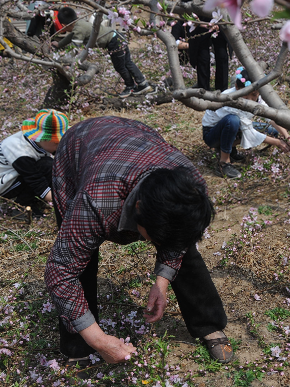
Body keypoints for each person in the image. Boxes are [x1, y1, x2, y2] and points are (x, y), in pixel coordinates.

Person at [45, 116, 233, 367]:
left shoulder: (190, 185)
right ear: (138, 209)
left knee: (182, 243)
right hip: (78, 150)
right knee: (79, 262)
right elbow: (61, 272)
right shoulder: (95, 201)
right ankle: (78, 346)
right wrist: (98, 339)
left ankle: (208, 323)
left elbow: (177, 242)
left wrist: (162, 281)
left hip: (132, 139)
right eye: (153, 237)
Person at [202, 68, 290, 179]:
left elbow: (271, 118)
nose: (250, 99)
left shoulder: (257, 99)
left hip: (239, 126)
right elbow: (248, 131)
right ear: (237, 88)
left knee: (274, 131)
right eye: (246, 95)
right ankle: (224, 162)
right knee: (233, 120)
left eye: (254, 94)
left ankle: (230, 148)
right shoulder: (230, 99)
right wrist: (277, 142)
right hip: (212, 135)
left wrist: (287, 137)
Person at [52, 7, 153, 99]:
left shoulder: (78, 29)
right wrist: (59, 44)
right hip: (117, 36)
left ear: (64, 25)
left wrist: (65, 60)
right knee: (128, 62)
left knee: (120, 66)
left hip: (113, 42)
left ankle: (130, 86)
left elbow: (75, 49)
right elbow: (71, 36)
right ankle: (143, 84)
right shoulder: (80, 23)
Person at [0, 109, 69, 215]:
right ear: (44, 138)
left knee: (48, 165)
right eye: (56, 143)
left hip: (18, 174)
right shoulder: (21, 152)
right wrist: (63, 200)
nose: (59, 146)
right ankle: (21, 205)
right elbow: (36, 181)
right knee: (47, 166)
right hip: (4, 185)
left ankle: (34, 198)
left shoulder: (37, 142)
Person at [184, 0, 230, 91]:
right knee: (202, 57)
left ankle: (222, 89)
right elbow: (185, 10)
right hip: (199, 27)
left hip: (219, 24)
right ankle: (203, 88)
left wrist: (219, 23)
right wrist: (201, 24)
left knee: (222, 55)